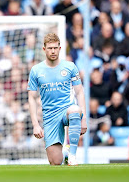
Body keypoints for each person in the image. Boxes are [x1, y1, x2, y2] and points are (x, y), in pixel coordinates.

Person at [27, 33, 87, 166]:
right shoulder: (36, 70)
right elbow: (31, 97)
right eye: (50, 48)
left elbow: (80, 92)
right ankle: (65, 155)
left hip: (67, 110)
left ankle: (72, 155)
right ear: (44, 49)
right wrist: (36, 125)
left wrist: (84, 118)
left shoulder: (70, 67)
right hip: (49, 116)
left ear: (60, 48)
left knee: (75, 110)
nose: (53, 51)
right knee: (55, 161)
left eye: (55, 48)